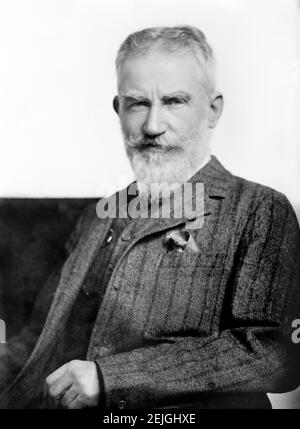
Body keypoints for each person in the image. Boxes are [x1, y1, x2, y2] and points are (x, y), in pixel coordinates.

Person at [0, 25, 300, 410]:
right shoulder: (98, 217)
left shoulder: (260, 208)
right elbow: (40, 341)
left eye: (174, 101)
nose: (153, 126)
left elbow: (274, 355)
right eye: (138, 103)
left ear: (213, 109)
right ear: (118, 110)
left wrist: (113, 379)